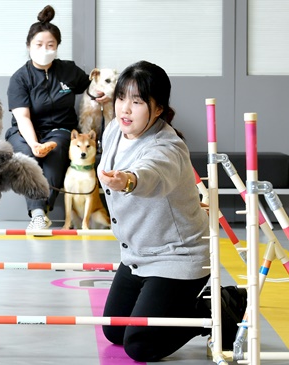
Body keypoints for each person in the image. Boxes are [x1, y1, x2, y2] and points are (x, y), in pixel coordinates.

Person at [96, 60, 247, 361]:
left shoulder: (168, 147)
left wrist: (129, 180)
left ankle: (215, 306)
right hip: (137, 254)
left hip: (177, 257)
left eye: (137, 102)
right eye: (122, 98)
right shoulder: (114, 129)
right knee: (114, 330)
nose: (125, 109)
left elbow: (152, 174)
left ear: (158, 108)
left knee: (140, 345)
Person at [6, 5, 109, 229]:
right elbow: (22, 117)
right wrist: (34, 143)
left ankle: (41, 211)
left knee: (56, 152)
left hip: (61, 129)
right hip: (25, 131)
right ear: (29, 46)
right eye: (39, 45)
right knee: (26, 154)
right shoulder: (20, 79)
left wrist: (101, 94)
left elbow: (92, 87)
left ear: (57, 47)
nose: (45, 49)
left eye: (50, 45)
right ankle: (38, 214)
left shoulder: (68, 71)